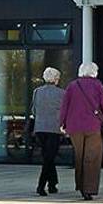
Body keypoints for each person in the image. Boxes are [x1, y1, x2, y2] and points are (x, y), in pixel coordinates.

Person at [58, 59, 103, 200]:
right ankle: (89, 188)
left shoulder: (72, 86)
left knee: (79, 157)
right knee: (92, 158)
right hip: (93, 126)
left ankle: (80, 186)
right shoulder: (97, 85)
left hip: (74, 127)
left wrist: (62, 123)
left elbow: (64, 106)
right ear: (94, 72)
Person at [29, 65, 64, 196]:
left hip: (40, 128)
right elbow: (64, 111)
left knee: (47, 156)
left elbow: (34, 110)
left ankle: (53, 184)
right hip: (54, 128)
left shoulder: (37, 92)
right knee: (49, 158)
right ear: (55, 79)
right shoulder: (62, 93)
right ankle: (41, 185)